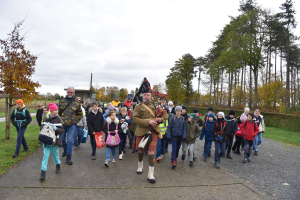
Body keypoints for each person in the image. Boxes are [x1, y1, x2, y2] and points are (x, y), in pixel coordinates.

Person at [133, 90, 168, 183]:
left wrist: (160, 119)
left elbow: (166, 115)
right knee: (140, 150)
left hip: (152, 131)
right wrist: (148, 121)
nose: (146, 96)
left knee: (151, 152)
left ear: (151, 96)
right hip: (141, 131)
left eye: (148, 95)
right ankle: (140, 166)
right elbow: (135, 119)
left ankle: (150, 174)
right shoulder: (138, 106)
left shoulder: (155, 107)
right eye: (145, 95)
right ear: (142, 96)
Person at [39, 103, 64, 181]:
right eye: (55, 110)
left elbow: (61, 131)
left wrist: (55, 128)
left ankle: (58, 165)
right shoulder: (46, 118)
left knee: (55, 156)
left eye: (57, 110)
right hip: (46, 141)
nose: (57, 111)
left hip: (54, 141)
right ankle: (43, 173)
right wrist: (46, 126)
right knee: (45, 156)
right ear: (52, 110)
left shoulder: (59, 119)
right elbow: (41, 128)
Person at [59, 86, 83, 165]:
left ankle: (68, 157)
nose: (69, 93)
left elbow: (80, 114)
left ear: (74, 93)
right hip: (62, 124)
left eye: (71, 92)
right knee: (62, 139)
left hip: (71, 124)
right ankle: (65, 149)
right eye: (68, 92)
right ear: (67, 92)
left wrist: (75, 121)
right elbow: (58, 112)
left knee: (70, 140)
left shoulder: (77, 102)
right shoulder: (62, 101)